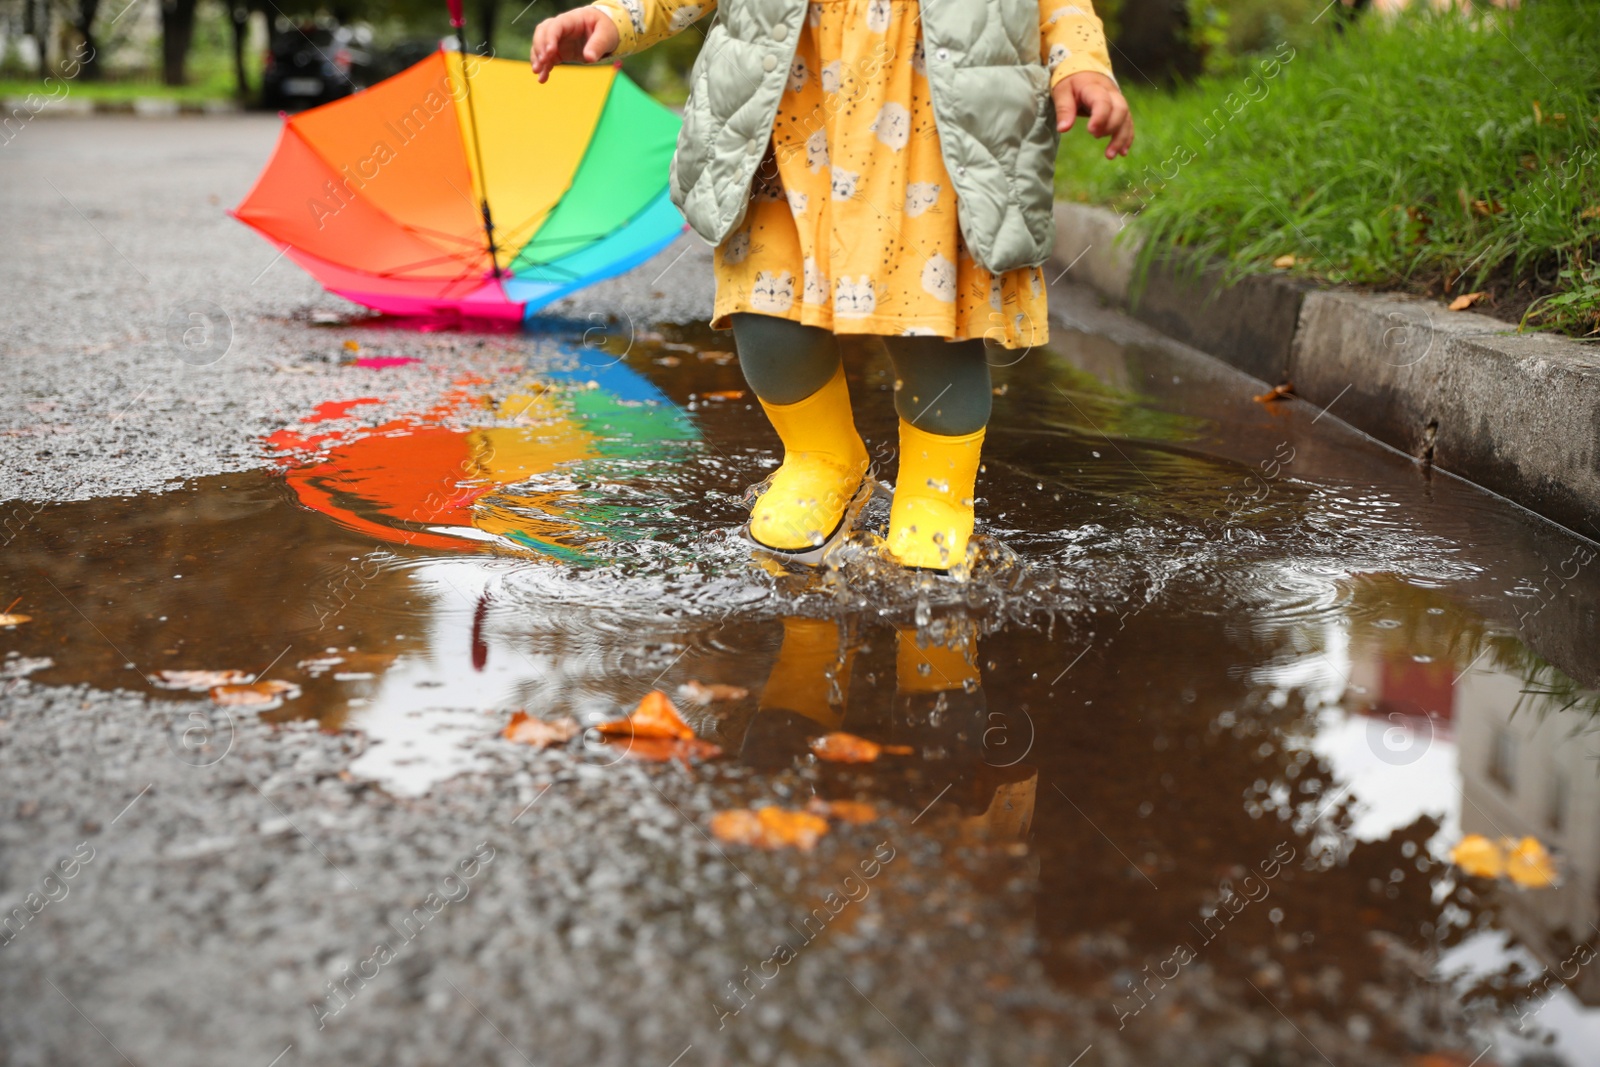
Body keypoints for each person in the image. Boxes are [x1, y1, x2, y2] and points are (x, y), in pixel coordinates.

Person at [532, 0, 1133, 573]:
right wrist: (615, 17)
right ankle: (822, 455)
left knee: (931, 326)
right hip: (784, 129)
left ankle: (936, 490)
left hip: (934, 135)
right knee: (766, 313)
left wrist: (1081, 65)